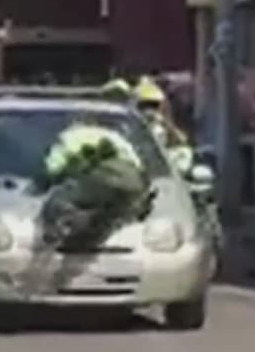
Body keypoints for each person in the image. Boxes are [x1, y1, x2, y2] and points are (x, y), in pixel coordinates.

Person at [36, 117, 152, 249]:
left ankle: (52, 235)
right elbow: (138, 165)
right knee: (113, 211)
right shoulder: (116, 137)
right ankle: (114, 218)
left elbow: (53, 168)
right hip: (134, 183)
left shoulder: (69, 137)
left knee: (57, 201)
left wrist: (43, 183)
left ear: (75, 124)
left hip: (104, 176)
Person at [134, 76, 193, 173]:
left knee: (184, 153)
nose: (149, 110)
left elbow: (182, 140)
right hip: (139, 163)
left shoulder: (161, 123)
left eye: (154, 105)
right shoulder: (131, 123)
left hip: (161, 163)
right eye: (145, 105)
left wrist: (165, 122)